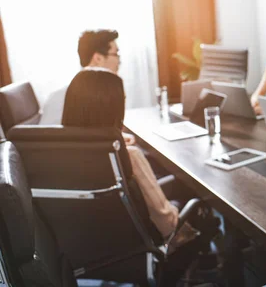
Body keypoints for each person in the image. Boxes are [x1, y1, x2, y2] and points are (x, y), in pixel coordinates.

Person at [61, 68, 197, 249]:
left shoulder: (59, 151)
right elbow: (167, 225)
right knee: (188, 189)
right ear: (113, 109)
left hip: (88, 247)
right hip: (144, 250)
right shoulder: (128, 157)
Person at [40, 29, 121, 125]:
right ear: (98, 58)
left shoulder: (103, 94)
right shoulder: (60, 98)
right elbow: (44, 137)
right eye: (116, 54)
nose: (119, 61)